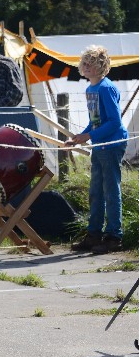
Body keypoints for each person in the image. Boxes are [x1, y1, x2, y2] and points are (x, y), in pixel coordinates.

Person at [68, 46, 127, 255]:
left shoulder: (105, 88)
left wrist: (89, 136)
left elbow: (114, 122)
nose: (85, 66)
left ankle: (114, 236)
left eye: (90, 63)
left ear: (100, 67)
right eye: (84, 62)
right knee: (95, 191)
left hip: (111, 145)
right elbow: (95, 122)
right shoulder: (90, 90)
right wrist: (79, 137)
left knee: (111, 190)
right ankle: (94, 234)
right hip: (99, 144)